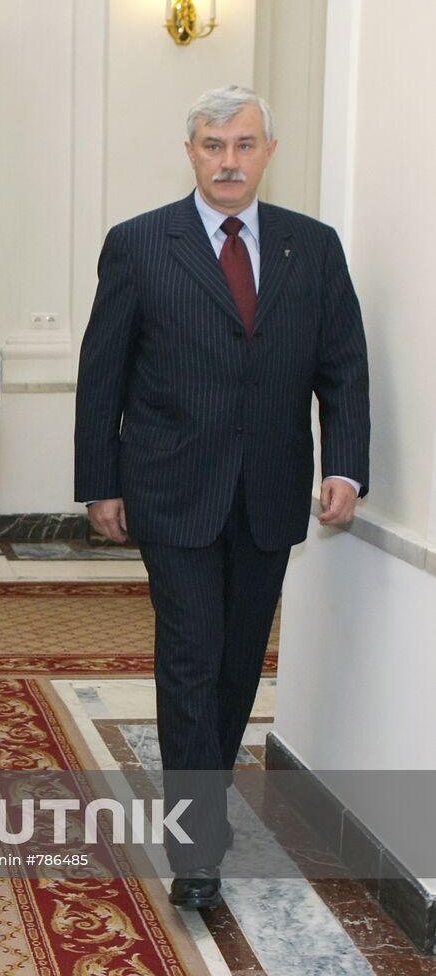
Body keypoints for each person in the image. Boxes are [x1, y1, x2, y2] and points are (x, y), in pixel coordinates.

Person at [74, 85, 369, 910]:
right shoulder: (139, 243)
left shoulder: (312, 247)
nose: (227, 161)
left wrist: (345, 465)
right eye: (212, 145)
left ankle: (203, 791)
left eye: (242, 144)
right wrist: (99, 481)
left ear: (268, 152)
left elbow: (342, 365)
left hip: (269, 491)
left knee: (240, 661)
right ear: (190, 153)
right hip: (172, 489)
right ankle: (196, 840)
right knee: (190, 653)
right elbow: (103, 372)